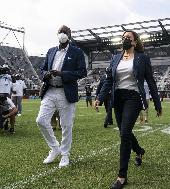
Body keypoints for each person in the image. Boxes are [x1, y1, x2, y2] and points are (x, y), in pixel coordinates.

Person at [95, 30, 162, 189]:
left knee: (125, 133)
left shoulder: (142, 58)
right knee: (124, 132)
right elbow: (109, 80)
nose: (125, 39)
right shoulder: (115, 58)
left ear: (134, 42)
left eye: (128, 38)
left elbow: (151, 82)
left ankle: (122, 176)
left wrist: (157, 104)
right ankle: (139, 151)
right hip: (117, 97)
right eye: (123, 37)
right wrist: (99, 97)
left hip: (133, 97)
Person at [36, 25, 87, 168]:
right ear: (57, 34)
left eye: (65, 32)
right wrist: (45, 74)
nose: (62, 34)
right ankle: (55, 148)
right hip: (50, 90)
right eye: (60, 32)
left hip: (66, 91)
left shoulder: (76, 52)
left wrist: (62, 74)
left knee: (66, 125)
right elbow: (42, 69)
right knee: (41, 120)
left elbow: (82, 72)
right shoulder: (51, 51)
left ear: (70, 35)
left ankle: (65, 154)